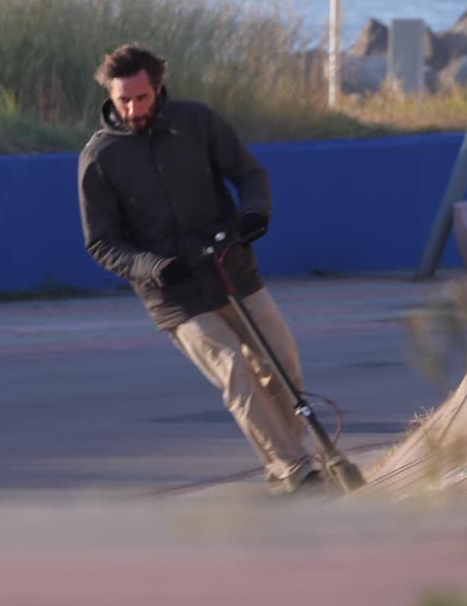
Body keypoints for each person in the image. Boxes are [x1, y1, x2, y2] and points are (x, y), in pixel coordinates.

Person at [77, 43, 322, 494]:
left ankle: (293, 459)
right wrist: (153, 267)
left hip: (231, 268)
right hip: (175, 294)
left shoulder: (196, 122)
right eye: (123, 100)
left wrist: (254, 213)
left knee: (282, 361)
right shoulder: (100, 157)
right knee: (235, 372)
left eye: (141, 98)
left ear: (158, 88)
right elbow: (101, 242)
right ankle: (296, 470)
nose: (132, 110)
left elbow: (250, 175)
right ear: (110, 95)